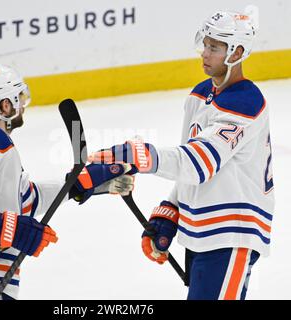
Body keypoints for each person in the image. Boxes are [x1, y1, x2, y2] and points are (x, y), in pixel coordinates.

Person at [89, 9, 274, 300]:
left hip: (231, 232)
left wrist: (140, 155)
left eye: (215, 47)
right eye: (206, 44)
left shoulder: (245, 102)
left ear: (237, 52)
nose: (205, 53)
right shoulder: (199, 95)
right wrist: (172, 209)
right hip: (202, 230)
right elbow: (190, 165)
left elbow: (199, 163)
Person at [0, 64, 134, 300]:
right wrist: (6, 227)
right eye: (18, 98)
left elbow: (28, 202)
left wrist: (76, 184)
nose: (23, 104)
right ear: (5, 105)